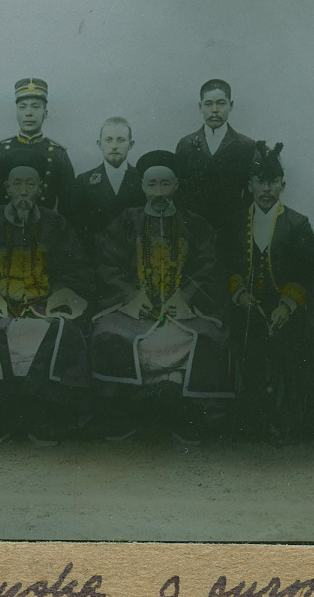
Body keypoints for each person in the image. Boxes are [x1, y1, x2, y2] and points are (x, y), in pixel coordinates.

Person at [0, 148, 93, 446]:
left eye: (30, 184)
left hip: (44, 305)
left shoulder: (56, 223)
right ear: (7, 188)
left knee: (64, 331)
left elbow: (73, 268)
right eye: (17, 184)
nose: (23, 191)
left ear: (40, 189)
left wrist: (56, 297)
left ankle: (44, 413)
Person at [90, 150, 232, 443]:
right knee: (108, 334)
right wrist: (132, 296)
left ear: (176, 186)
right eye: (152, 185)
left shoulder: (195, 224)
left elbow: (209, 267)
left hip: (184, 308)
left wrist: (186, 297)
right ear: (142, 186)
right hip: (134, 309)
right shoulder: (126, 221)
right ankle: (125, 413)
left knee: (207, 337)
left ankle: (187, 413)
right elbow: (108, 264)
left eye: (165, 184)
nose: (158, 193)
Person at [218, 142, 314, 442]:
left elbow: (306, 271)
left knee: (294, 348)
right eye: (260, 181)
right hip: (246, 305)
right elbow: (227, 265)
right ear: (250, 184)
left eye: (273, 181)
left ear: (282, 185)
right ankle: (254, 415)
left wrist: (287, 305)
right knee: (246, 344)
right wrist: (239, 294)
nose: (266, 189)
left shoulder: (297, 223)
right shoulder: (235, 221)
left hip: (286, 307)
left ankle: (288, 417)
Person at [0, 78, 76, 214]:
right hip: (4, 224)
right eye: (22, 107)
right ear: (16, 112)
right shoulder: (0, 151)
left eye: (35, 107)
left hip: (44, 224)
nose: (29, 113)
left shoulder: (58, 154)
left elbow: (69, 206)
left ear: (45, 113)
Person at [174, 79, 256, 229]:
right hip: (194, 226)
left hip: (233, 227)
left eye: (221, 103)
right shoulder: (186, 144)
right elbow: (179, 190)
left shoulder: (246, 146)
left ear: (231, 105)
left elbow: (251, 193)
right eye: (208, 104)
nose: (214, 110)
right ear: (200, 106)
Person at [68, 116, 145, 252]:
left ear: (131, 144)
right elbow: (76, 226)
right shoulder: (83, 181)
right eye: (108, 140)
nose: (114, 146)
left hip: (135, 255)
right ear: (99, 144)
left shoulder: (142, 179)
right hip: (95, 255)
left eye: (121, 140)